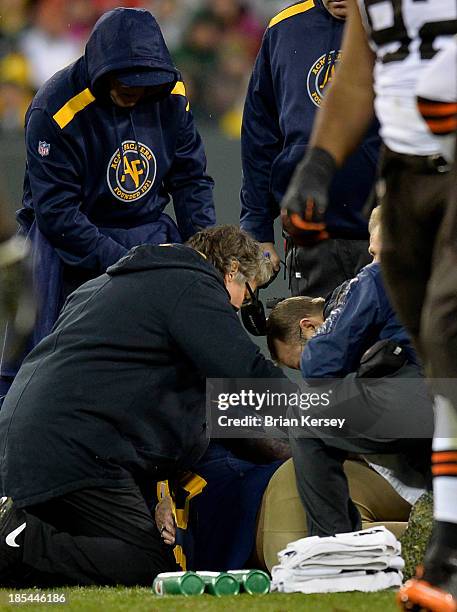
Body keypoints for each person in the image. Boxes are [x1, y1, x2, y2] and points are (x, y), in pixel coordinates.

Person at [280, 1, 456, 606]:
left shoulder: (372, 275)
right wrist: (320, 161)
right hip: (410, 167)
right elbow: (358, 71)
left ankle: (343, 553)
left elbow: (318, 362)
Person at [0, 225, 285, 587]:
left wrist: (159, 489)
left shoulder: (104, 286)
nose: (242, 305)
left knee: (93, 554)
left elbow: (151, 403)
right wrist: (327, 417)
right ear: (231, 270)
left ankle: (17, 535)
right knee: (147, 566)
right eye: (248, 292)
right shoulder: (192, 286)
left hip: (30, 444)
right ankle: (16, 541)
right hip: (77, 451)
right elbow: (248, 374)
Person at [0, 7, 216, 395]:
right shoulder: (54, 108)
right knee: (36, 370)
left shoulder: (170, 94)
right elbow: (57, 212)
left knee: (169, 364)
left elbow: (190, 179)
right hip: (64, 243)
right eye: (124, 84)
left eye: (143, 85)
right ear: (101, 69)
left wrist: (204, 246)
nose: (134, 92)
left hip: (144, 230)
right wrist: (123, 263)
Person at [266, 207, 433, 538]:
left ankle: (336, 546)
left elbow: (320, 365)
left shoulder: (378, 276)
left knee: (304, 416)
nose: (372, 258)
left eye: (373, 250)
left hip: (418, 401)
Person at [240, 0, 380, 297]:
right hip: (310, 238)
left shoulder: (394, 24)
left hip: (385, 235)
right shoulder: (284, 29)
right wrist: (257, 232)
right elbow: (260, 138)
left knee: (389, 343)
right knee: (310, 339)